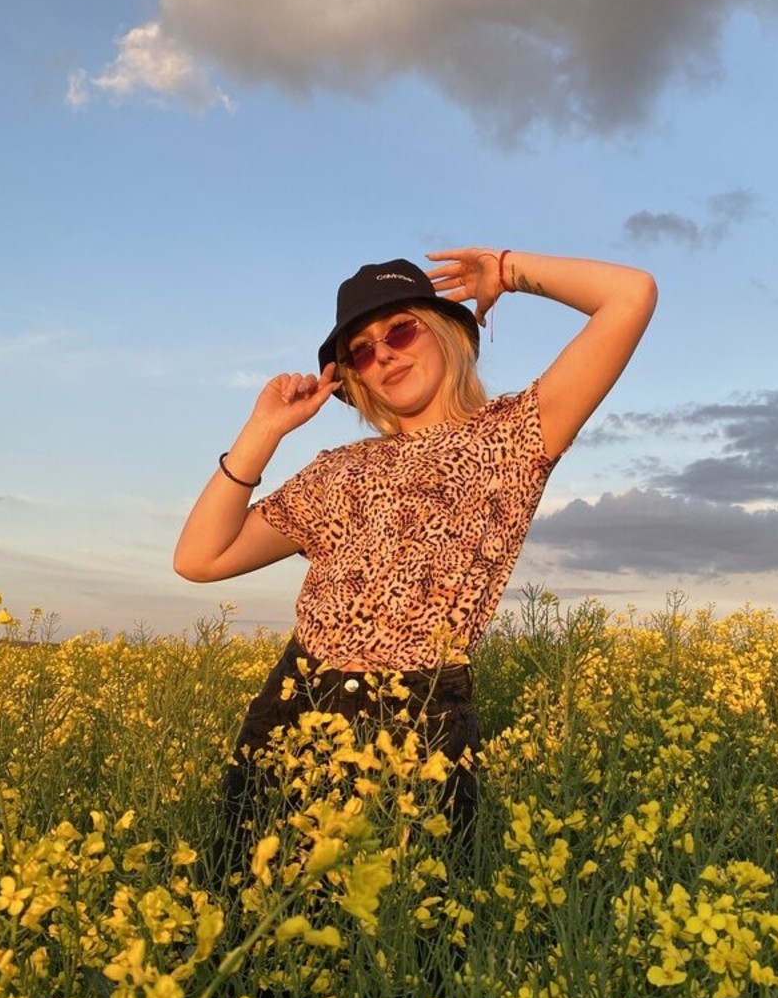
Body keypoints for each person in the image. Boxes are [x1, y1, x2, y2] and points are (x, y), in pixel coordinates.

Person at [174, 247, 657, 870]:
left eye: (401, 330)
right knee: (246, 899)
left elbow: (630, 295)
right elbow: (200, 559)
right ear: (354, 379)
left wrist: (506, 270)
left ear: (448, 334)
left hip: (419, 719)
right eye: (361, 352)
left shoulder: (513, 435)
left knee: (410, 922)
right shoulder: (336, 470)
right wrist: (263, 430)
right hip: (294, 705)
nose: (383, 355)